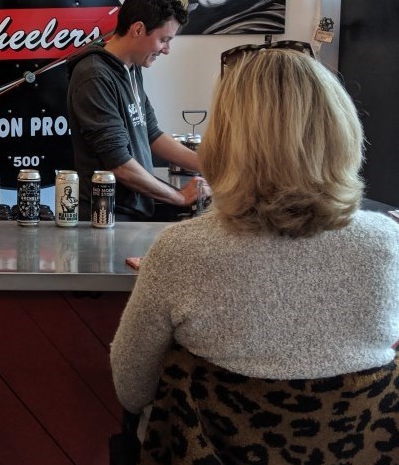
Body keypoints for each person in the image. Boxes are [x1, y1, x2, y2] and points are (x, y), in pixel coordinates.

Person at [110, 47, 399, 420]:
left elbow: (131, 390)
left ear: (225, 140)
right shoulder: (385, 243)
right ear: (341, 131)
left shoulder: (181, 252)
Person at [66, 0, 207, 222]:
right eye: (164, 39)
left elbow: (151, 133)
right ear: (138, 29)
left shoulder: (131, 68)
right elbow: (119, 164)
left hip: (136, 209)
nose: (167, 50)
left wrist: (211, 166)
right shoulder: (94, 75)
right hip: (109, 216)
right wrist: (180, 197)